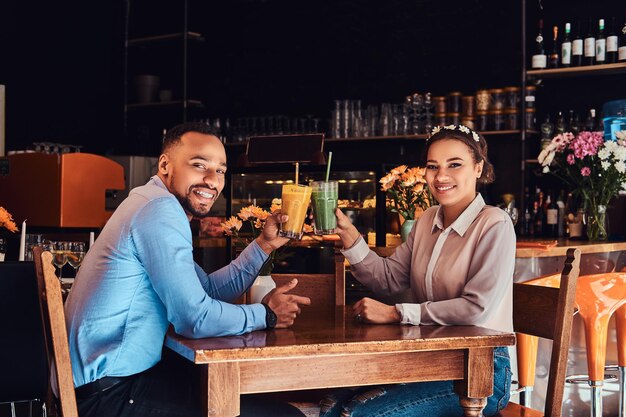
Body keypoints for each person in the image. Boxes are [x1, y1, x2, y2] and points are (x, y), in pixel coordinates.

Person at [64, 122, 310, 417]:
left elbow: (204, 290)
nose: (212, 180)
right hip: (110, 394)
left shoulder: (147, 200)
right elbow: (193, 318)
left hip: (106, 385)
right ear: (165, 165)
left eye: (220, 170)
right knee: (285, 416)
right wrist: (267, 315)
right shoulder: (159, 210)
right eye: (199, 165)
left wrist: (263, 245)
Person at [324, 124, 515, 417]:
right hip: (428, 357)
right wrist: (351, 237)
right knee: (331, 404)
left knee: (361, 414)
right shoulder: (426, 221)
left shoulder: (495, 224)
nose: (441, 176)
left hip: (481, 371)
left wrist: (397, 313)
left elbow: (475, 308)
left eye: (455, 165)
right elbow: (389, 280)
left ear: (478, 168)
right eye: (432, 166)